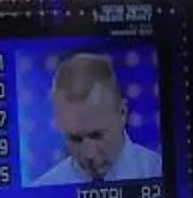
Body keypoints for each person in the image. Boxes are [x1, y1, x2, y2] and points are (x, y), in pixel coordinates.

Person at [33, 51, 163, 184]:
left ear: (122, 113)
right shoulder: (43, 190)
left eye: (97, 135)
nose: (89, 154)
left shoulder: (158, 172)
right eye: (76, 139)